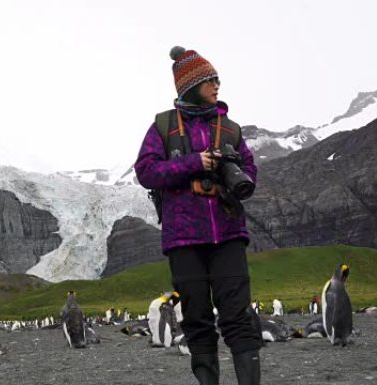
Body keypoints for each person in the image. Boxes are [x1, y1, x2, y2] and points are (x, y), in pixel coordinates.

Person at [135, 46, 262, 385]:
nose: (218, 85)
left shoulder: (230, 128)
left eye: (218, 79)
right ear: (192, 85)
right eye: (210, 80)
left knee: (238, 317)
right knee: (196, 318)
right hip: (184, 238)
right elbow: (146, 171)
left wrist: (232, 170)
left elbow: (250, 171)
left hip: (228, 233)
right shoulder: (163, 126)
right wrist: (194, 163)